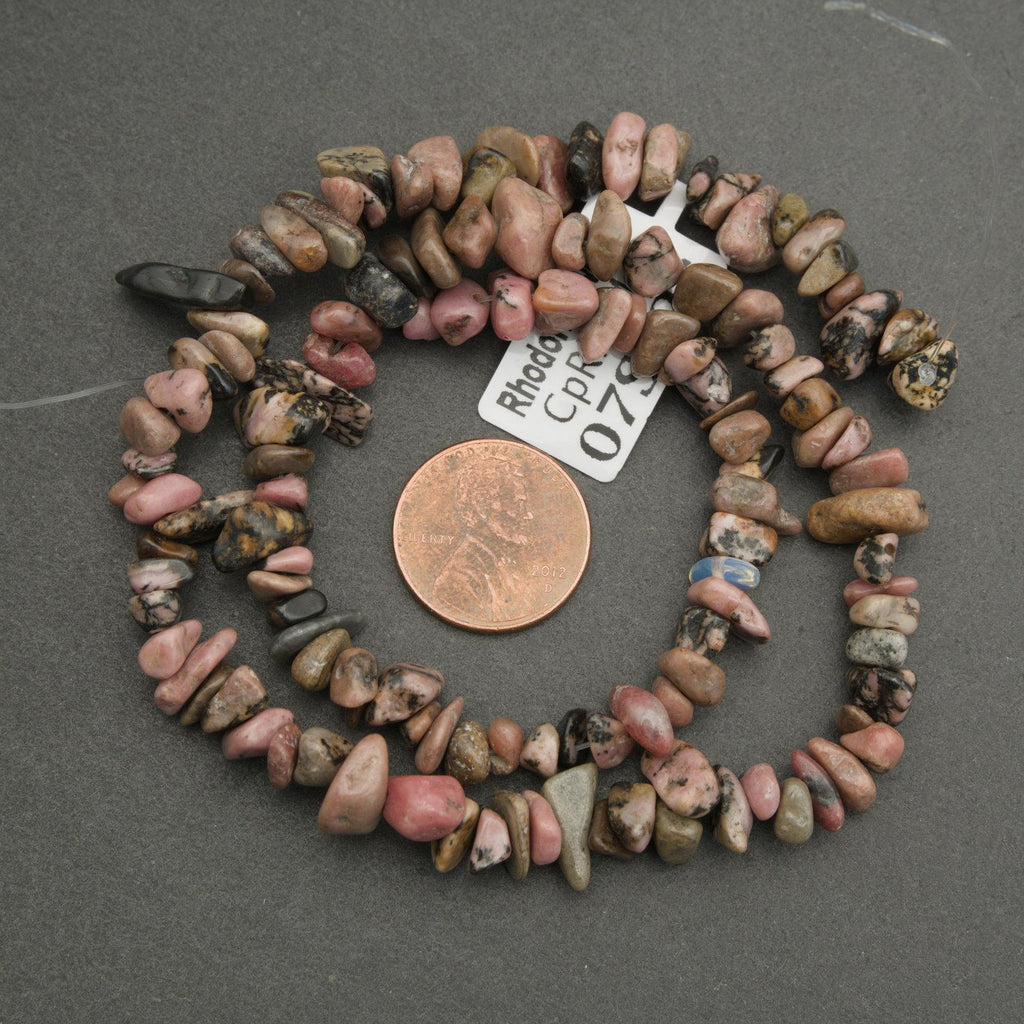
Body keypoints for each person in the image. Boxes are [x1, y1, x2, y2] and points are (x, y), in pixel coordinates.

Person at [432, 454, 535, 623]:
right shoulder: (456, 583)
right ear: (481, 506)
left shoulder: (503, 565)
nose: (528, 516)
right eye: (518, 504)